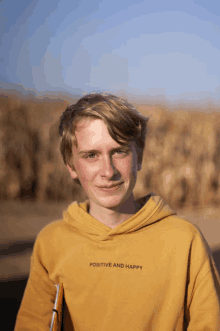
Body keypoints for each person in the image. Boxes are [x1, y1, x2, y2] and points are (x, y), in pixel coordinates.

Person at [15, 93, 220, 330]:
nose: (108, 171)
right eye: (91, 155)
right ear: (71, 166)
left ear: (139, 157)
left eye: (119, 152)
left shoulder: (185, 242)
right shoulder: (52, 243)